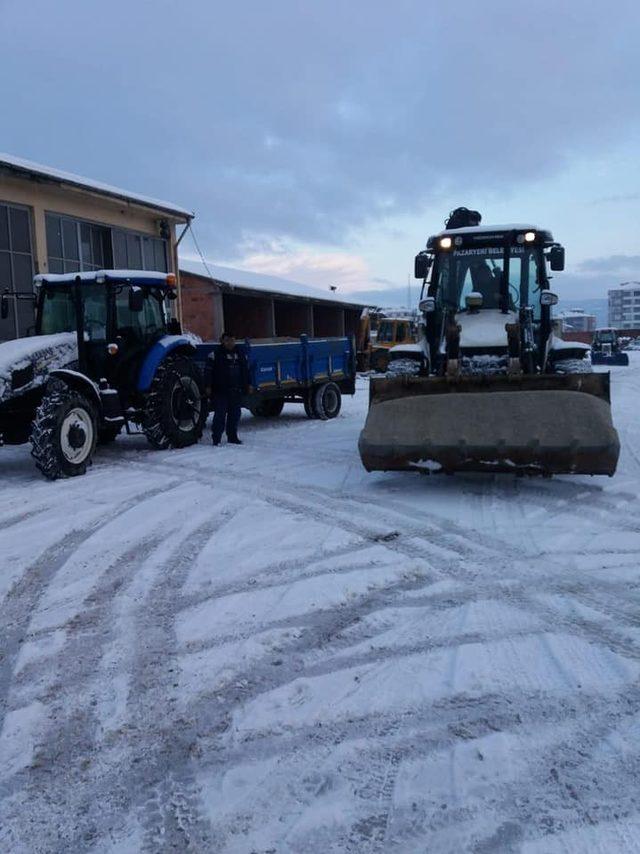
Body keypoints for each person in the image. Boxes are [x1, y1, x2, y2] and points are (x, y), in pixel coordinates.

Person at [205, 332, 249, 445]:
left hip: (236, 390)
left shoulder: (240, 354)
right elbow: (208, 373)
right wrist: (208, 386)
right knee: (220, 415)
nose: (230, 343)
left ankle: (232, 437)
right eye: (227, 340)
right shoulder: (214, 355)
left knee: (235, 415)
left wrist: (247, 385)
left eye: (232, 340)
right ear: (222, 341)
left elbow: (245, 372)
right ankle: (216, 439)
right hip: (220, 391)